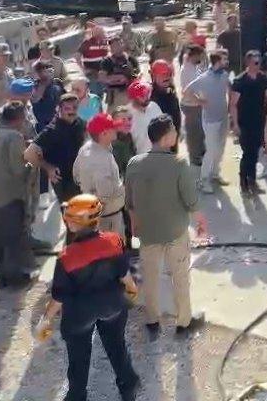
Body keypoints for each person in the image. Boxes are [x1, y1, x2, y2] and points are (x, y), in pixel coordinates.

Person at [35, 195, 141, 401]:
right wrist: (132, 290)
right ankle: (128, 385)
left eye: (68, 218)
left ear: (75, 223)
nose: (66, 220)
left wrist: (45, 319)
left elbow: (59, 297)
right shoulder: (114, 241)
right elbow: (125, 275)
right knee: (116, 345)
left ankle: (77, 395)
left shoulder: (67, 257)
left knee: (79, 357)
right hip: (112, 305)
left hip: (80, 314)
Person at [125, 115, 207, 338]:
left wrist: (134, 224)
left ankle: (152, 320)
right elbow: (190, 200)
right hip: (175, 232)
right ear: (165, 137)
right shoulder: (179, 164)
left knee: (150, 278)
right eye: (172, 130)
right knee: (179, 277)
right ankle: (183, 322)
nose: (176, 133)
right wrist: (200, 220)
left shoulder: (134, 163)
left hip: (148, 232)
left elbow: (129, 201)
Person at [0, 101, 37, 289]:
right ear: (18, 118)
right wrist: (31, 162)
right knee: (13, 240)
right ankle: (15, 279)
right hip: (10, 198)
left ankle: (1, 279)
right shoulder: (13, 137)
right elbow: (18, 171)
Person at [184, 51, 232, 193]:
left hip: (223, 117)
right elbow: (187, 91)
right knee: (211, 150)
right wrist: (199, 101)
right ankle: (203, 180)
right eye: (224, 59)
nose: (227, 61)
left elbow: (230, 89)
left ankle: (216, 174)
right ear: (217, 60)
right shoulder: (204, 78)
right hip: (210, 120)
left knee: (221, 149)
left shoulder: (224, 75)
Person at [26, 94, 87, 203]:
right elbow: (29, 154)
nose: (71, 111)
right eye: (67, 108)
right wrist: (48, 168)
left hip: (81, 176)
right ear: (59, 109)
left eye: (75, 108)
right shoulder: (52, 130)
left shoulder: (80, 123)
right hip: (64, 181)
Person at [74, 113, 128, 237]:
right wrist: (124, 188)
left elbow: (76, 176)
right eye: (112, 128)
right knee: (113, 253)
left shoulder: (85, 149)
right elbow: (105, 194)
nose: (116, 129)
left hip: (92, 213)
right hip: (108, 218)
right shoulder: (102, 161)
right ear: (103, 134)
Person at [231, 50, 267, 197]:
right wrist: (235, 124)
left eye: (259, 62)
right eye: (255, 62)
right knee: (247, 153)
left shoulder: (262, 79)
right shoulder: (240, 81)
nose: (257, 65)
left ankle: (252, 182)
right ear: (248, 63)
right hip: (245, 122)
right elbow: (233, 104)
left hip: (258, 121)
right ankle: (243, 184)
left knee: (255, 153)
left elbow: (266, 99)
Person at [179, 44, 208, 169]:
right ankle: (195, 160)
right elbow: (187, 92)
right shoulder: (187, 70)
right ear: (194, 56)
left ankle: (201, 155)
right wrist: (201, 102)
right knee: (194, 134)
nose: (202, 58)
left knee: (200, 133)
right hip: (191, 106)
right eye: (200, 56)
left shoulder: (194, 67)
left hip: (197, 106)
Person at [125, 80, 164, 156]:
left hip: (161, 155)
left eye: (147, 94)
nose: (147, 97)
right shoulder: (126, 115)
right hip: (141, 159)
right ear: (133, 98)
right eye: (142, 95)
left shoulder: (154, 106)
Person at [149, 60, 182, 147]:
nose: (166, 77)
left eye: (168, 74)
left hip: (172, 142)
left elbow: (176, 116)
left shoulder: (170, 92)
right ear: (154, 76)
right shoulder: (149, 96)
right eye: (162, 74)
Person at [100, 36, 137, 109]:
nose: (117, 47)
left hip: (130, 93)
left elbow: (138, 73)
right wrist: (117, 78)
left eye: (119, 44)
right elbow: (102, 78)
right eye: (113, 45)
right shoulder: (107, 61)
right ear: (110, 48)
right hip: (115, 95)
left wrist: (131, 79)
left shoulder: (130, 59)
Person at [31, 59, 66, 130]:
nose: (43, 73)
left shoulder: (57, 84)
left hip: (56, 123)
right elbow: (34, 100)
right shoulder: (34, 86)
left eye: (45, 69)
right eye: (40, 70)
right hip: (41, 124)